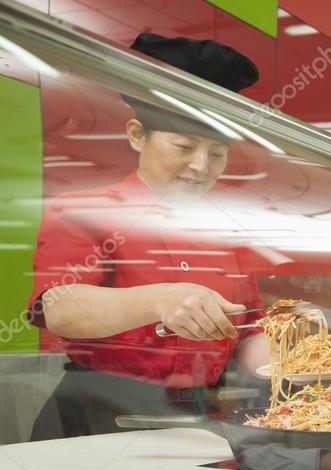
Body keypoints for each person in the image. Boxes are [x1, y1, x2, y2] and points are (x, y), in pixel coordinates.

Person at [27, 33, 268, 440]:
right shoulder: (85, 210)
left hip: (200, 414)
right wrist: (163, 299)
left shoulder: (227, 232)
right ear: (138, 135)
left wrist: (297, 354)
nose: (200, 166)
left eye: (216, 153)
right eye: (184, 146)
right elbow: (61, 307)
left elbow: (250, 330)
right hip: (98, 414)